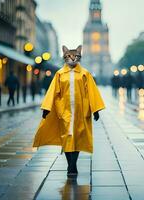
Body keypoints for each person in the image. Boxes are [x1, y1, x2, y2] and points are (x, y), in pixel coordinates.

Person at [33, 45, 105, 176]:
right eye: (69, 56)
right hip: (64, 110)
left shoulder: (85, 74)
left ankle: (73, 164)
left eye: (75, 56)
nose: (72, 59)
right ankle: (70, 165)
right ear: (65, 57)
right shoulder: (59, 74)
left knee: (77, 137)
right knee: (67, 137)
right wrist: (46, 108)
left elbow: (92, 92)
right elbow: (52, 91)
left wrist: (96, 110)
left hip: (80, 112)